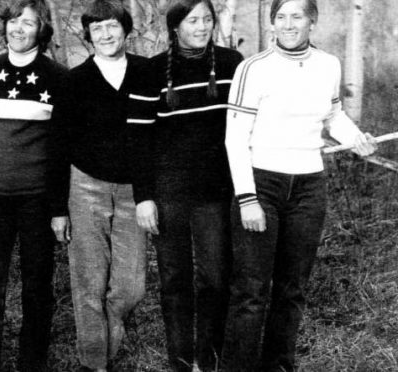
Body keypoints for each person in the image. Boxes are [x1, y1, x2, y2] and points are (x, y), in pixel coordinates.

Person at [222, 0, 377, 371]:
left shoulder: (329, 65)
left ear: (313, 22)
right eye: (280, 17)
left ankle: (279, 365)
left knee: (292, 290)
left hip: (309, 187)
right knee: (251, 293)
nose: (288, 24)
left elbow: (333, 116)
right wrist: (247, 199)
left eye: (297, 16)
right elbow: (234, 138)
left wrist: (357, 138)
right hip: (261, 185)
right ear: (272, 24)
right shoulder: (252, 68)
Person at [134, 1, 243, 371]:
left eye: (207, 19)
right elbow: (139, 140)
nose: (201, 26)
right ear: (175, 26)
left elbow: (247, 125)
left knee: (214, 277)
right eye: (192, 20)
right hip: (169, 194)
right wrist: (144, 197)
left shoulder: (232, 64)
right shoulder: (151, 72)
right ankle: (180, 361)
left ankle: (207, 359)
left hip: (215, 193)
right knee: (174, 280)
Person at [0, 1, 68, 371]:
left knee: (37, 287)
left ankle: (31, 362)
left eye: (28, 22)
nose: (18, 29)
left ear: (42, 30)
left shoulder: (57, 77)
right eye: (13, 21)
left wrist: (59, 208)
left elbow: (60, 148)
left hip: (37, 201)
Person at [57, 1, 159, 370]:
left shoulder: (147, 72)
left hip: (135, 191)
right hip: (85, 186)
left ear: (125, 29)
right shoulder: (74, 80)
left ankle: (112, 327)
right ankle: (94, 362)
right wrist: (58, 209)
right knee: (88, 281)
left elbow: (156, 135)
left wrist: (151, 190)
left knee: (132, 286)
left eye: (112, 26)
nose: (105, 34)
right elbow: (60, 145)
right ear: (88, 35)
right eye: (97, 28)